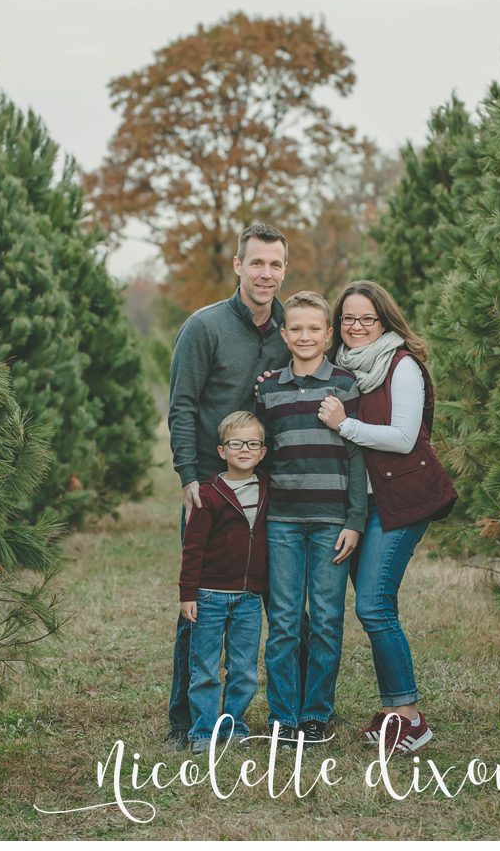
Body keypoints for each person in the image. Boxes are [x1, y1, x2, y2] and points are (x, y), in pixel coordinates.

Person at [164, 224, 293, 746]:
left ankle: (271, 715)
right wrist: (188, 476)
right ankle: (184, 721)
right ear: (238, 265)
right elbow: (182, 404)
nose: (266, 274)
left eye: (276, 265)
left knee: (265, 604)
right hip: (212, 490)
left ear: (285, 270)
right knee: (199, 604)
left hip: (268, 492)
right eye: (257, 263)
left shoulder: (291, 329)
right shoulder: (205, 327)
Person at [315, 281, 457, 755]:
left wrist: (344, 425)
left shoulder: (402, 366)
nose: (356, 328)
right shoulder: (342, 368)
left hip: (403, 501)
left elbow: (402, 438)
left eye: (367, 319)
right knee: (377, 607)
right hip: (364, 504)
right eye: (348, 319)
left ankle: (411, 718)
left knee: (374, 606)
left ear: (384, 322)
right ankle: (393, 706)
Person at [255, 290, 367, 745]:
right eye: (295, 328)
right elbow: (263, 459)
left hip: (330, 522)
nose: (304, 336)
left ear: (328, 335)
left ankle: (316, 713)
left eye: (314, 329)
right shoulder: (269, 388)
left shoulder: (344, 385)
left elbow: (357, 454)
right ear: (284, 334)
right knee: (283, 620)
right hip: (281, 520)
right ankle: (283, 716)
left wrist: (355, 519)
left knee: (325, 618)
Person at [177, 411, 270, 753]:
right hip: (210, 596)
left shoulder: (267, 489)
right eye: (235, 443)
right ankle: (202, 731)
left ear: (262, 451)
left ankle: (234, 725)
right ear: (221, 450)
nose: (243, 449)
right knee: (204, 668)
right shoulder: (208, 494)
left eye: (252, 443)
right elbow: (192, 547)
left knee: (243, 668)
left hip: (248, 598)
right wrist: (188, 593)